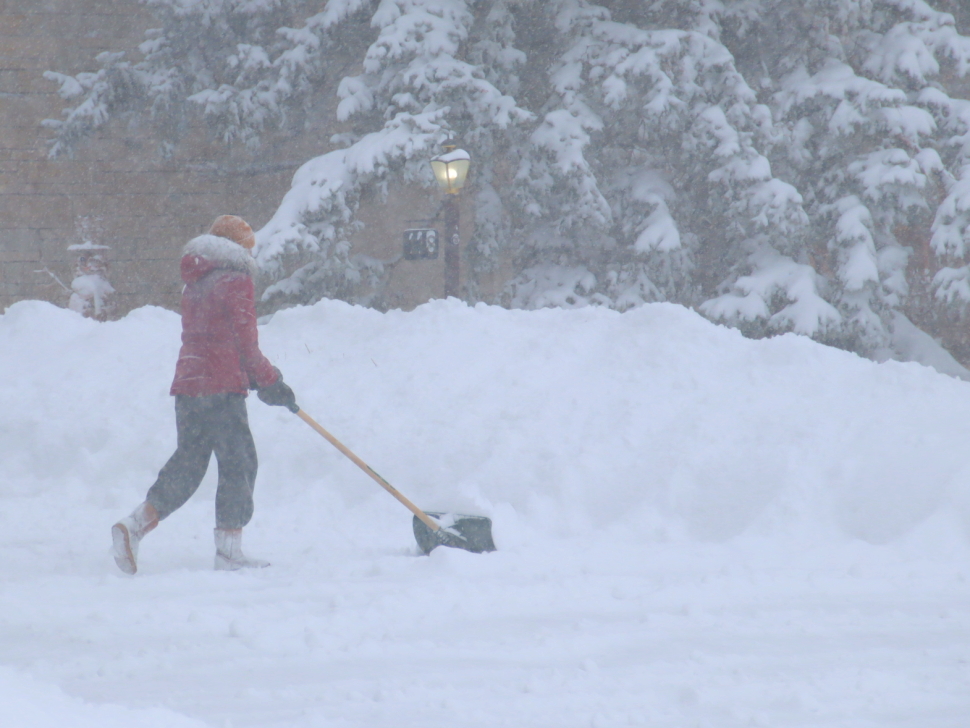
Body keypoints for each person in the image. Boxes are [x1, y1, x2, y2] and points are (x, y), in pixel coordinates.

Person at [111, 215, 299, 574]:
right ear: (240, 249)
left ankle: (134, 526)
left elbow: (215, 337)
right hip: (221, 389)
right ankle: (229, 552)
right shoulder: (237, 280)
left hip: (189, 385)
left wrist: (256, 378)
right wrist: (271, 381)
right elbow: (245, 343)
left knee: (189, 463)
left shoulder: (195, 282)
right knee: (239, 463)